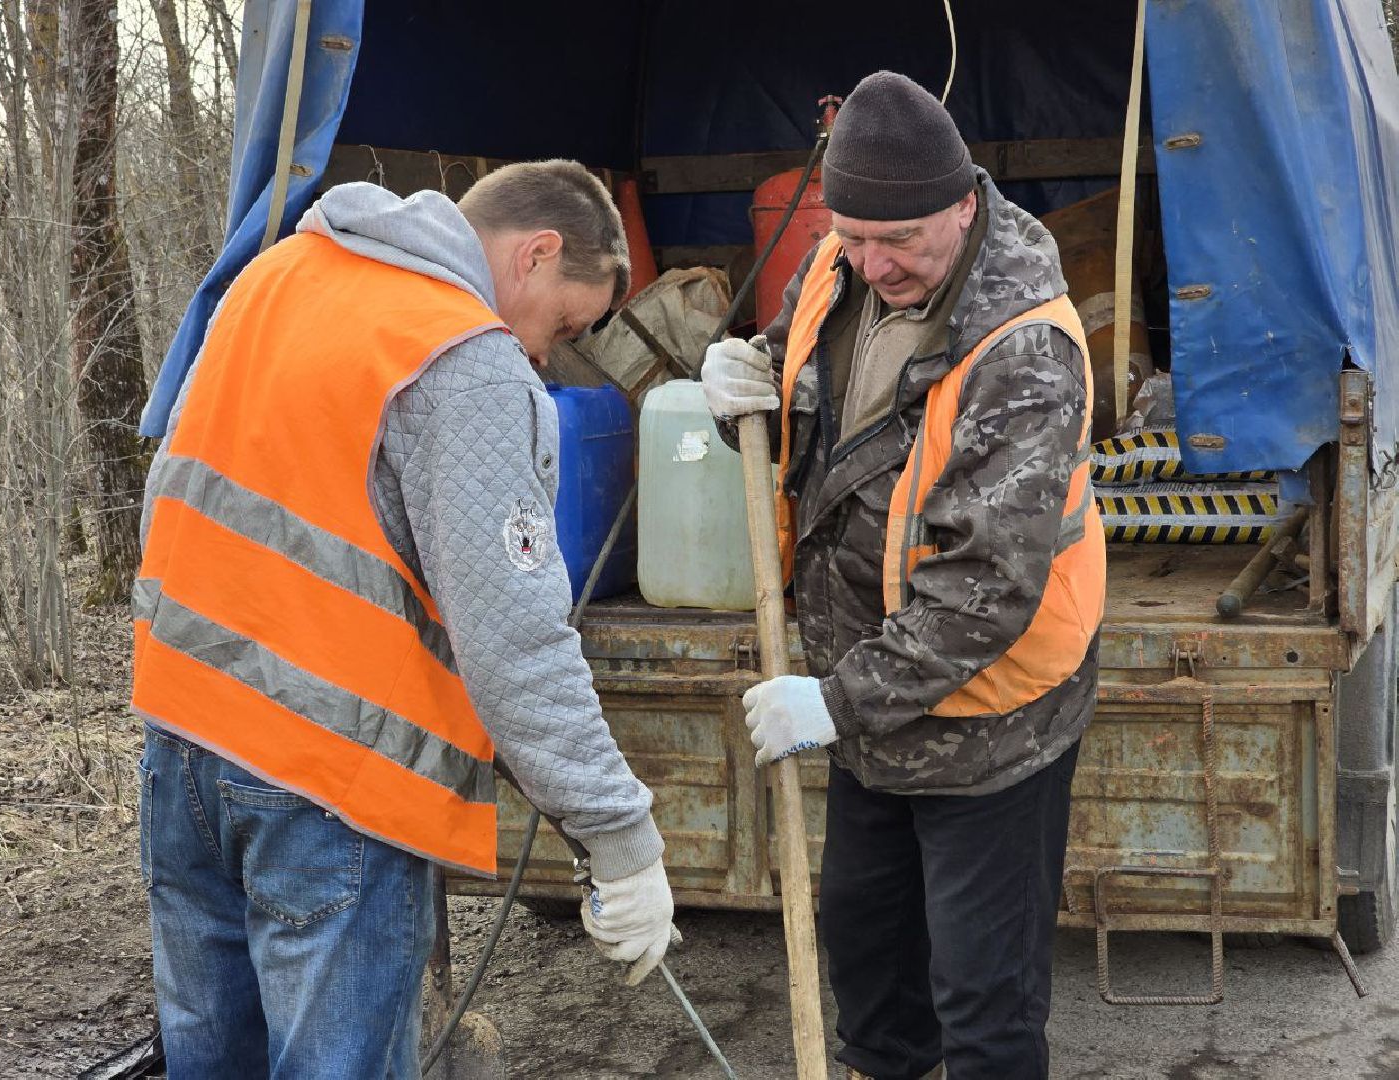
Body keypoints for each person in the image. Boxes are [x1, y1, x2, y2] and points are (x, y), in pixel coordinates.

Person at [131, 161, 674, 1079]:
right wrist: (620, 840)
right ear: (536, 255)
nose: (545, 354)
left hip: (181, 741)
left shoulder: (274, 276)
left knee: (212, 1061)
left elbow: (170, 493)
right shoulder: (462, 356)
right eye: (564, 325)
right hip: (330, 783)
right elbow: (516, 642)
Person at [702, 71, 1105, 1080]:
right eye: (853, 234)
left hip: (987, 723)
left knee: (982, 1007)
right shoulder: (842, 266)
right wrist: (738, 385)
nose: (873, 262)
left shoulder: (1024, 349)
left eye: (902, 240)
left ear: (964, 204)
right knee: (872, 976)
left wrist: (836, 702)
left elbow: (983, 589)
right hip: (871, 715)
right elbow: (803, 410)